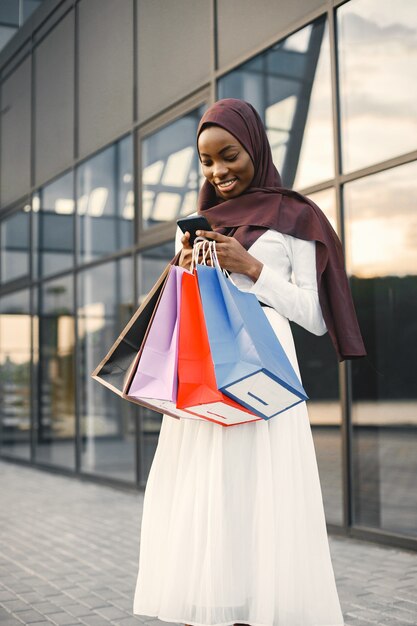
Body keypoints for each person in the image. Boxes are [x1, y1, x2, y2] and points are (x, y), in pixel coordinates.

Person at [133, 98, 366, 626]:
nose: (219, 172)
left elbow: (314, 315)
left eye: (229, 155)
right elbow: (182, 314)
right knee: (212, 495)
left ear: (255, 148)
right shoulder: (196, 225)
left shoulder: (296, 216)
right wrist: (188, 271)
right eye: (207, 162)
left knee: (264, 494)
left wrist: (252, 268)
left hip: (269, 375)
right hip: (209, 373)